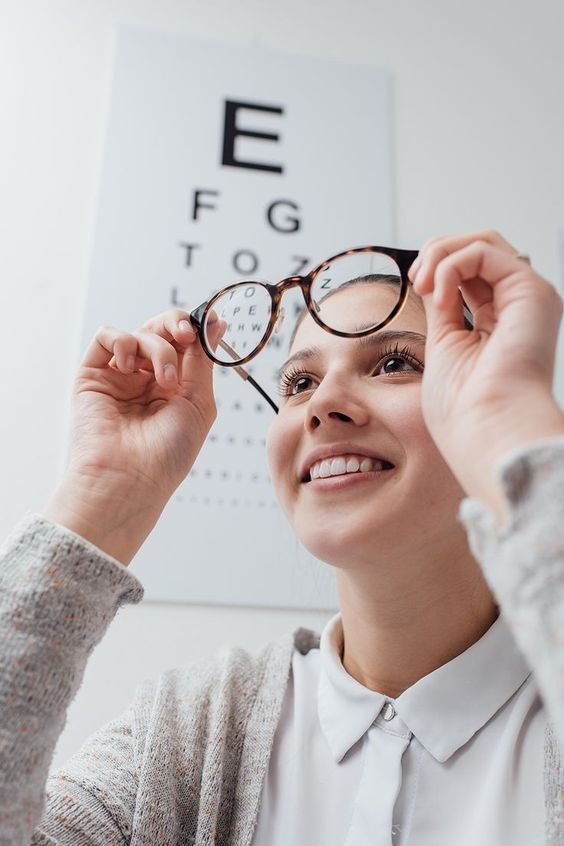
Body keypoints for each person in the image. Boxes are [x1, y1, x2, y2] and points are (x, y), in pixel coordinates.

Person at [1, 230, 563, 845]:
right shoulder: (188, 732)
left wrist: (515, 423)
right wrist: (105, 491)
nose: (324, 404)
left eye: (395, 363)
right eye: (299, 383)